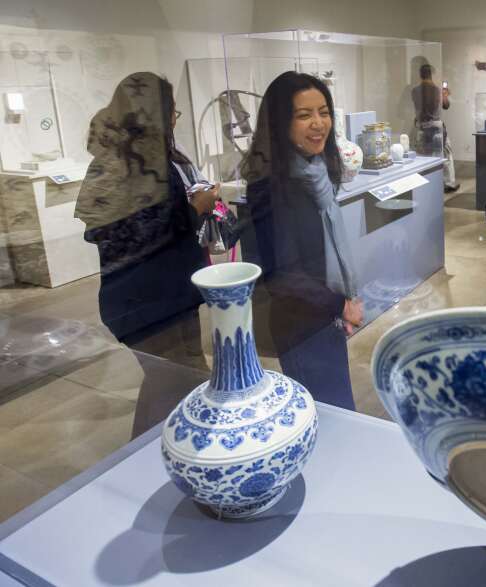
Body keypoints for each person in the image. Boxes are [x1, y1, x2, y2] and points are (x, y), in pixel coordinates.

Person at [75, 72, 218, 437]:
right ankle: (142, 455)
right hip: (148, 301)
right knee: (170, 382)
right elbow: (142, 235)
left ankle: (177, 449)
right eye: (171, 112)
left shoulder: (128, 160)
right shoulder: (128, 164)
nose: (174, 120)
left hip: (166, 296)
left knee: (185, 377)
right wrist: (196, 207)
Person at [240, 72, 363, 410]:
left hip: (323, 314)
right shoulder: (270, 185)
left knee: (337, 405)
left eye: (324, 112)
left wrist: (340, 303)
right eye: (304, 115)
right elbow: (282, 275)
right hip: (299, 324)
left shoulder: (315, 170)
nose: (318, 123)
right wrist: (341, 305)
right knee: (327, 411)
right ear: (281, 123)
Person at [411, 63, 459, 192]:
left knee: (424, 156)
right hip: (436, 126)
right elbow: (446, 105)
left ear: (420, 75)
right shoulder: (437, 90)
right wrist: (445, 95)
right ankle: (449, 183)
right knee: (446, 153)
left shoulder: (415, 90)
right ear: (431, 74)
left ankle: (426, 184)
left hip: (422, 126)